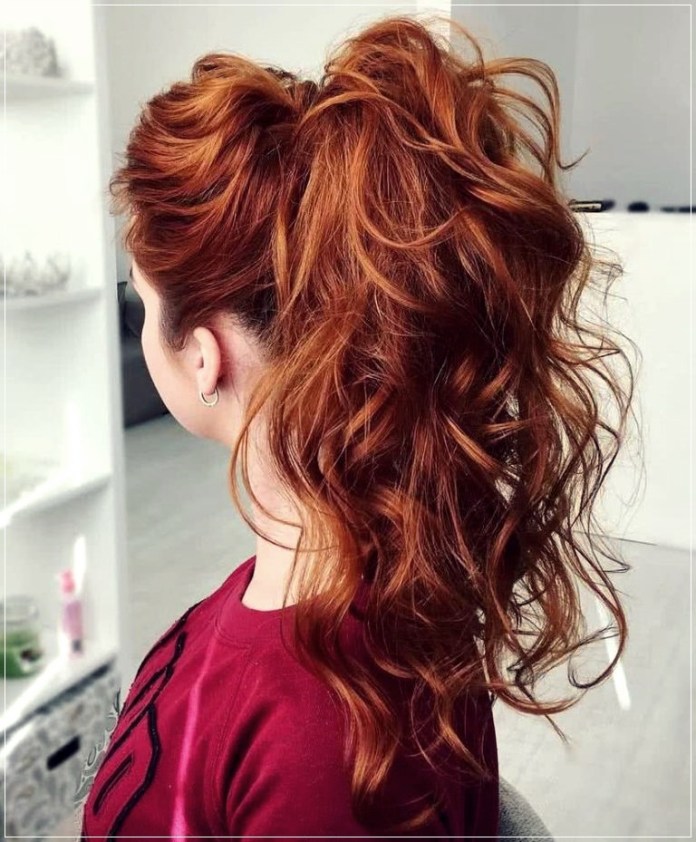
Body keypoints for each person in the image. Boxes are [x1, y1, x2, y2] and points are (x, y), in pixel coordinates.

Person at [78, 11, 635, 839]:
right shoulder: (379, 586)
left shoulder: (317, 747)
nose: (140, 324)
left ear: (201, 354)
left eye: (142, 303)